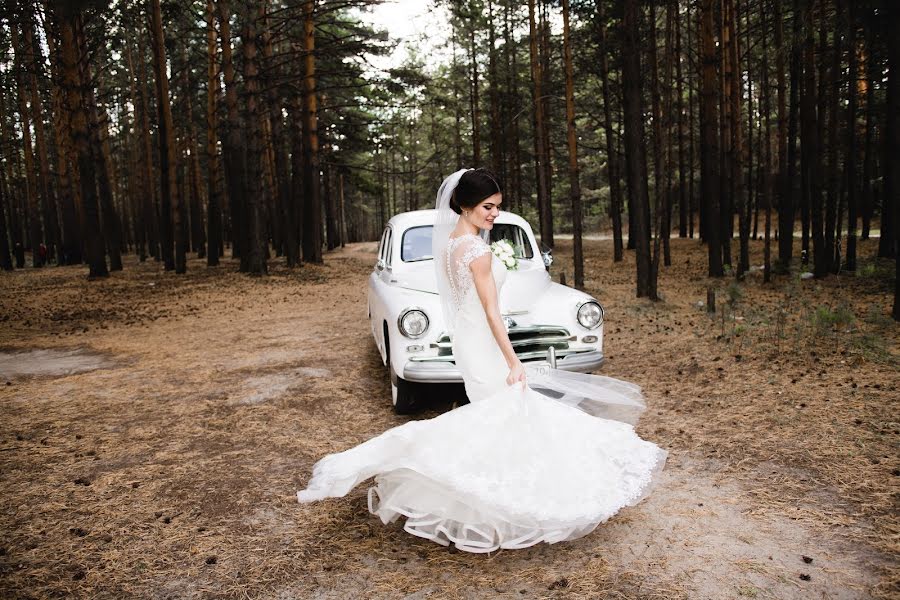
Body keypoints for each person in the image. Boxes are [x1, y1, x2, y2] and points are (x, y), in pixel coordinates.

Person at [298, 168, 667, 553]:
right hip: (486, 348)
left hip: (470, 347)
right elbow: (493, 314)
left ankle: (496, 494)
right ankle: (500, 499)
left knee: (496, 420)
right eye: (488, 207)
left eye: (498, 207)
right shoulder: (478, 251)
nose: (495, 214)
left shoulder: (449, 245)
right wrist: (514, 361)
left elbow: (466, 307)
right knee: (506, 415)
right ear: (466, 205)